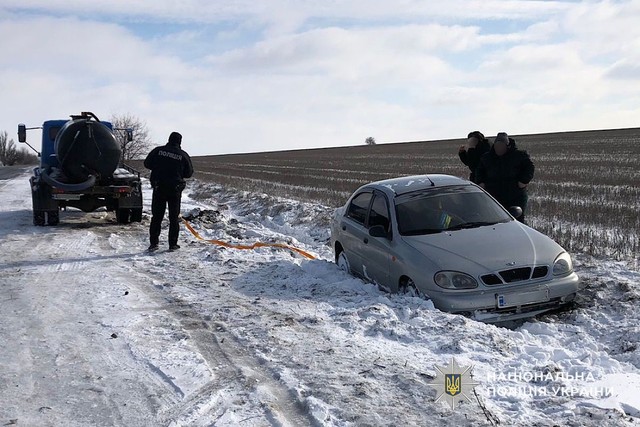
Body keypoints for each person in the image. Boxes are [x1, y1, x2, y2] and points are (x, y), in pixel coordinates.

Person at [144, 131, 194, 251]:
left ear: (169, 139)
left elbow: (147, 164)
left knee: (157, 217)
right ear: (179, 142)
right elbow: (189, 173)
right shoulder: (183, 155)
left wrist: (158, 168)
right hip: (174, 190)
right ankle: (172, 244)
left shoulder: (158, 151)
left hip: (159, 188)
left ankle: (154, 243)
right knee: (174, 218)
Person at [475, 132, 534, 223]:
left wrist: (523, 181)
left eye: (501, 146)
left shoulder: (519, 155)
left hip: (515, 195)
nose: (499, 148)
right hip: (494, 196)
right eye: (497, 146)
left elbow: (529, 168)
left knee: (516, 221)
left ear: (507, 146)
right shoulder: (487, 157)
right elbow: (479, 171)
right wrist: (480, 182)